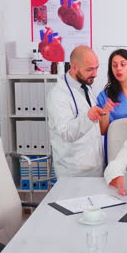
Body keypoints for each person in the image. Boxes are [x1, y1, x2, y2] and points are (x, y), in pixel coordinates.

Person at [47, 45, 108, 177]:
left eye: (97, 67)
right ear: (74, 67)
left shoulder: (86, 85)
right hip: (73, 171)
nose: (95, 74)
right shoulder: (58, 95)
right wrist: (89, 117)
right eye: (90, 69)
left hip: (95, 167)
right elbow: (67, 133)